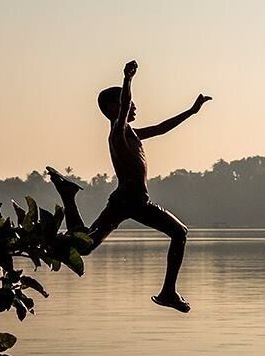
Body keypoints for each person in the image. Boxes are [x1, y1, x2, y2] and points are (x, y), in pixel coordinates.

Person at [47, 60, 210, 313]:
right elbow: (124, 109)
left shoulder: (130, 133)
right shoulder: (118, 131)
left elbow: (160, 128)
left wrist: (191, 111)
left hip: (124, 201)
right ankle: (168, 292)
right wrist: (128, 79)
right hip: (133, 201)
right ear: (115, 107)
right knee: (179, 233)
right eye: (128, 102)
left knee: (86, 246)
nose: (134, 106)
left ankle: (68, 197)